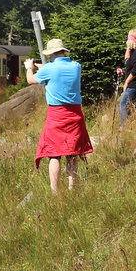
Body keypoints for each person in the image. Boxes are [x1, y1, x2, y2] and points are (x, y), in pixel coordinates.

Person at [27, 37, 93, 191]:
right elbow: (59, 71)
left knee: (54, 154)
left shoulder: (49, 69)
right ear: (63, 51)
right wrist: (44, 67)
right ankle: (72, 188)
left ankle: (54, 191)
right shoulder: (76, 66)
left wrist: (29, 67)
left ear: (51, 54)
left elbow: (31, 80)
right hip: (75, 114)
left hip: (56, 115)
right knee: (72, 153)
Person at [118, 31, 136, 126]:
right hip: (133, 82)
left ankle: (123, 127)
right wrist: (128, 49)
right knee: (127, 104)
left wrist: (126, 82)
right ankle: (127, 125)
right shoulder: (135, 50)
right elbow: (127, 61)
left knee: (124, 104)